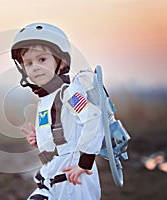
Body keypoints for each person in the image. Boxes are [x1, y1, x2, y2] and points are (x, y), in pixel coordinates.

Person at [11, 22, 104, 200]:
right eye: (28, 63)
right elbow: (65, 133)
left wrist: (85, 163)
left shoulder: (69, 93)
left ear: (61, 62)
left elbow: (93, 116)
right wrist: (42, 139)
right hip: (50, 176)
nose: (35, 67)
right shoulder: (45, 98)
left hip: (72, 178)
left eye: (42, 59)